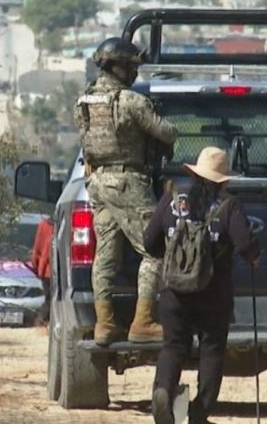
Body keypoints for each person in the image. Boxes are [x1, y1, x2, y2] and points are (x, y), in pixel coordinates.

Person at [73, 37, 179, 345]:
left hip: (97, 183)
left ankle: (105, 324)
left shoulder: (83, 102)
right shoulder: (130, 101)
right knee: (155, 247)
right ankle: (143, 321)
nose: (134, 73)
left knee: (105, 254)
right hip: (127, 182)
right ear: (118, 67)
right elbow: (167, 132)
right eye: (132, 66)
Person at [144, 146, 260, 424]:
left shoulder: (172, 197)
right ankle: (199, 412)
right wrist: (254, 254)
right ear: (224, 179)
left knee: (173, 346)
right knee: (212, 350)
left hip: (173, 291)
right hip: (214, 292)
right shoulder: (227, 205)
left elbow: (149, 241)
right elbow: (246, 245)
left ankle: (163, 390)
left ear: (194, 172)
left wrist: (173, 259)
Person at [29, 214, 54, 324]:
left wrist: (37, 268)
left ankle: (42, 321)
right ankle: (43, 321)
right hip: (59, 271)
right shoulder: (66, 223)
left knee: (49, 299)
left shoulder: (44, 225)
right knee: (52, 300)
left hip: (47, 271)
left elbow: (37, 250)